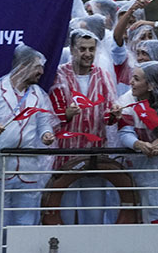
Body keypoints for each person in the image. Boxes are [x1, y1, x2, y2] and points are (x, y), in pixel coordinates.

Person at [0, 44, 56, 226]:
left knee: (26, 224)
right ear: (23, 67)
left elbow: (45, 125)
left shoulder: (38, 95)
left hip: (28, 170)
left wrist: (47, 135)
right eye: (37, 67)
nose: (42, 71)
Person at [48, 29, 118, 223]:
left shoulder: (102, 75)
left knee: (94, 214)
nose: (87, 54)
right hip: (66, 155)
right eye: (82, 49)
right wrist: (65, 115)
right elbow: (50, 114)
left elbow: (109, 111)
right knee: (66, 213)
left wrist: (114, 115)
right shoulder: (58, 75)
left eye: (91, 49)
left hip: (96, 155)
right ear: (72, 50)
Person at [111, 61, 158, 224]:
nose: (131, 82)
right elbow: (125, 132)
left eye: (137, 79)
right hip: (134, 167)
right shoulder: (126, 101)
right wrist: (139, 144)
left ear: (151, 86)